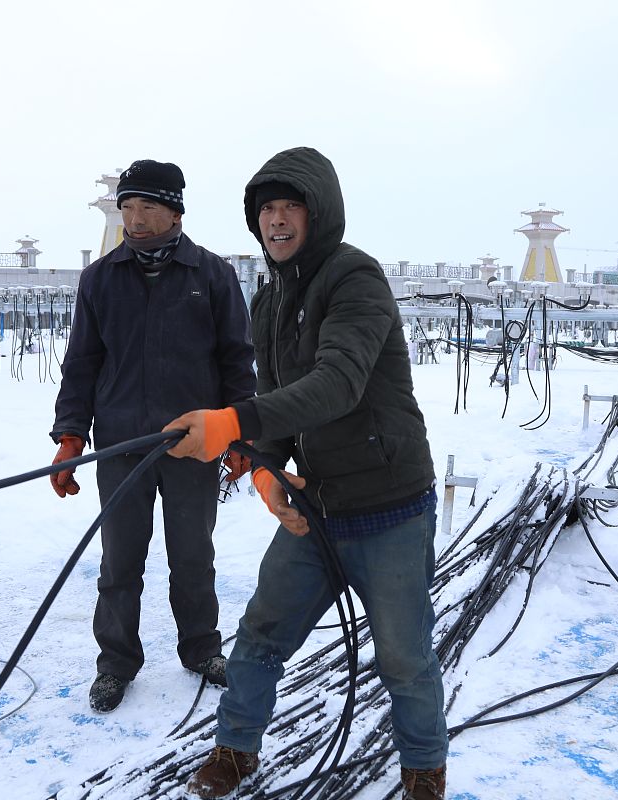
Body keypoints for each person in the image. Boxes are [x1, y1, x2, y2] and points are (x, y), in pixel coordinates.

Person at [164, 147, 448, 800]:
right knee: (260, 634)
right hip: (315, 507)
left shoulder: (356, 280)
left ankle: (424, 773)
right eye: (268, 208)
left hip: (391, 507)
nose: (279, 220)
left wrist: (230, 422)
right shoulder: (267, 302)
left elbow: (338, 385)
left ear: (319, 214)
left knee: (404, 660)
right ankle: (234, 753)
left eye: (292, 206)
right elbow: (280, 414)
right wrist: (264, 472)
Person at [49, 159, 256, 713]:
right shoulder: (101, 278)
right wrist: (70, 435)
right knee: (120, 561)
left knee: (193, 554)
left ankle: (201, 649)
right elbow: (82, 363)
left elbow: (237, 360)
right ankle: (116, 662)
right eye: (127, 209)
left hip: (194, 442)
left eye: (147, 208)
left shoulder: (211, 275)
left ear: (174, 212)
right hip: (121, 444)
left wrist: (237, 432)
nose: (134, 220)